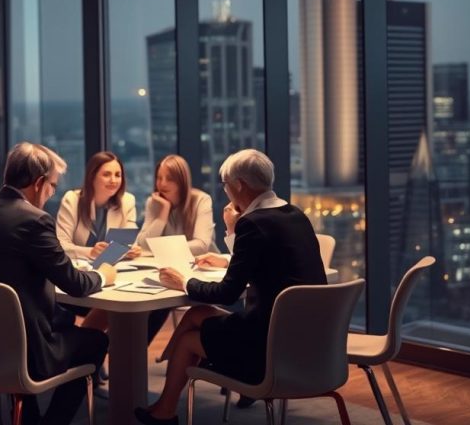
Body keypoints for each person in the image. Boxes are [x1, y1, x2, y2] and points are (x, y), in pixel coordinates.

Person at [133, 149, 326, 425]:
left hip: (268, 346)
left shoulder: (253, 223)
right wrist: (234, 238)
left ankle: (165, 412)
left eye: (226, 185)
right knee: (195, 315)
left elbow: (227, 293)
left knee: (189, 340)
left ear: (239, 185)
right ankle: (165, 399)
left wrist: (184, 281)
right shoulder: (295, 214)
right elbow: (266, 261)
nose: (226, 192)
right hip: (306, 340)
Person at [0, 142, 116, 425]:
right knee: (95, 341)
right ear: (39, 183)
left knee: (55, 322)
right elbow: (75, 284)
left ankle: (28, 417)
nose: (52, 193)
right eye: (52, 185)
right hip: (26, 351)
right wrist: (103, 275)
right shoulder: (35, 220)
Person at [136, 154, 216, 341]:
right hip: (169, 271)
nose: (162, 183)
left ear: (182, 181)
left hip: (202, 270)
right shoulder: (154, 203)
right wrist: (162, 213)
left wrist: (163, 248)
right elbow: (143, 244)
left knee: (159, 304)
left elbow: (202, 244)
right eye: (159, 177)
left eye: (169, 178)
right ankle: (131, 359)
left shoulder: (201, 200)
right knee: (155, 304)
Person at [55, 151, 141, 261]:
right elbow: (61, 245)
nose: (113, 180)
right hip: (78, 269)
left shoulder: (127, 200)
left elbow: (128, 242)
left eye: (118, 175)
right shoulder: (72, 200)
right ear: (92, 177)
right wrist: (90, 252)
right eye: (106, 174)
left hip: (112, 268)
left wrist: (132, 249)